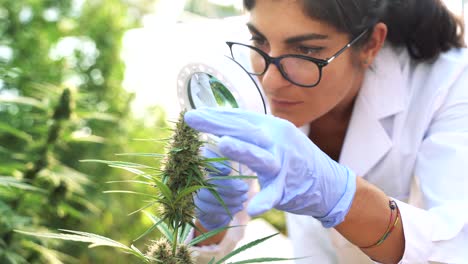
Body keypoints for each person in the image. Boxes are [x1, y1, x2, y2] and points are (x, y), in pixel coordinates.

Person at [183, 0, 468, 263]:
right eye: (259, 39)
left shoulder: (449, 83)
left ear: (371, 44)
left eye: (307, 50)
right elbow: (196, 252)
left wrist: (343, 196)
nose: (270, 82)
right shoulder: (249, 69)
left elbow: (457, 246)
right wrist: (210, 221)